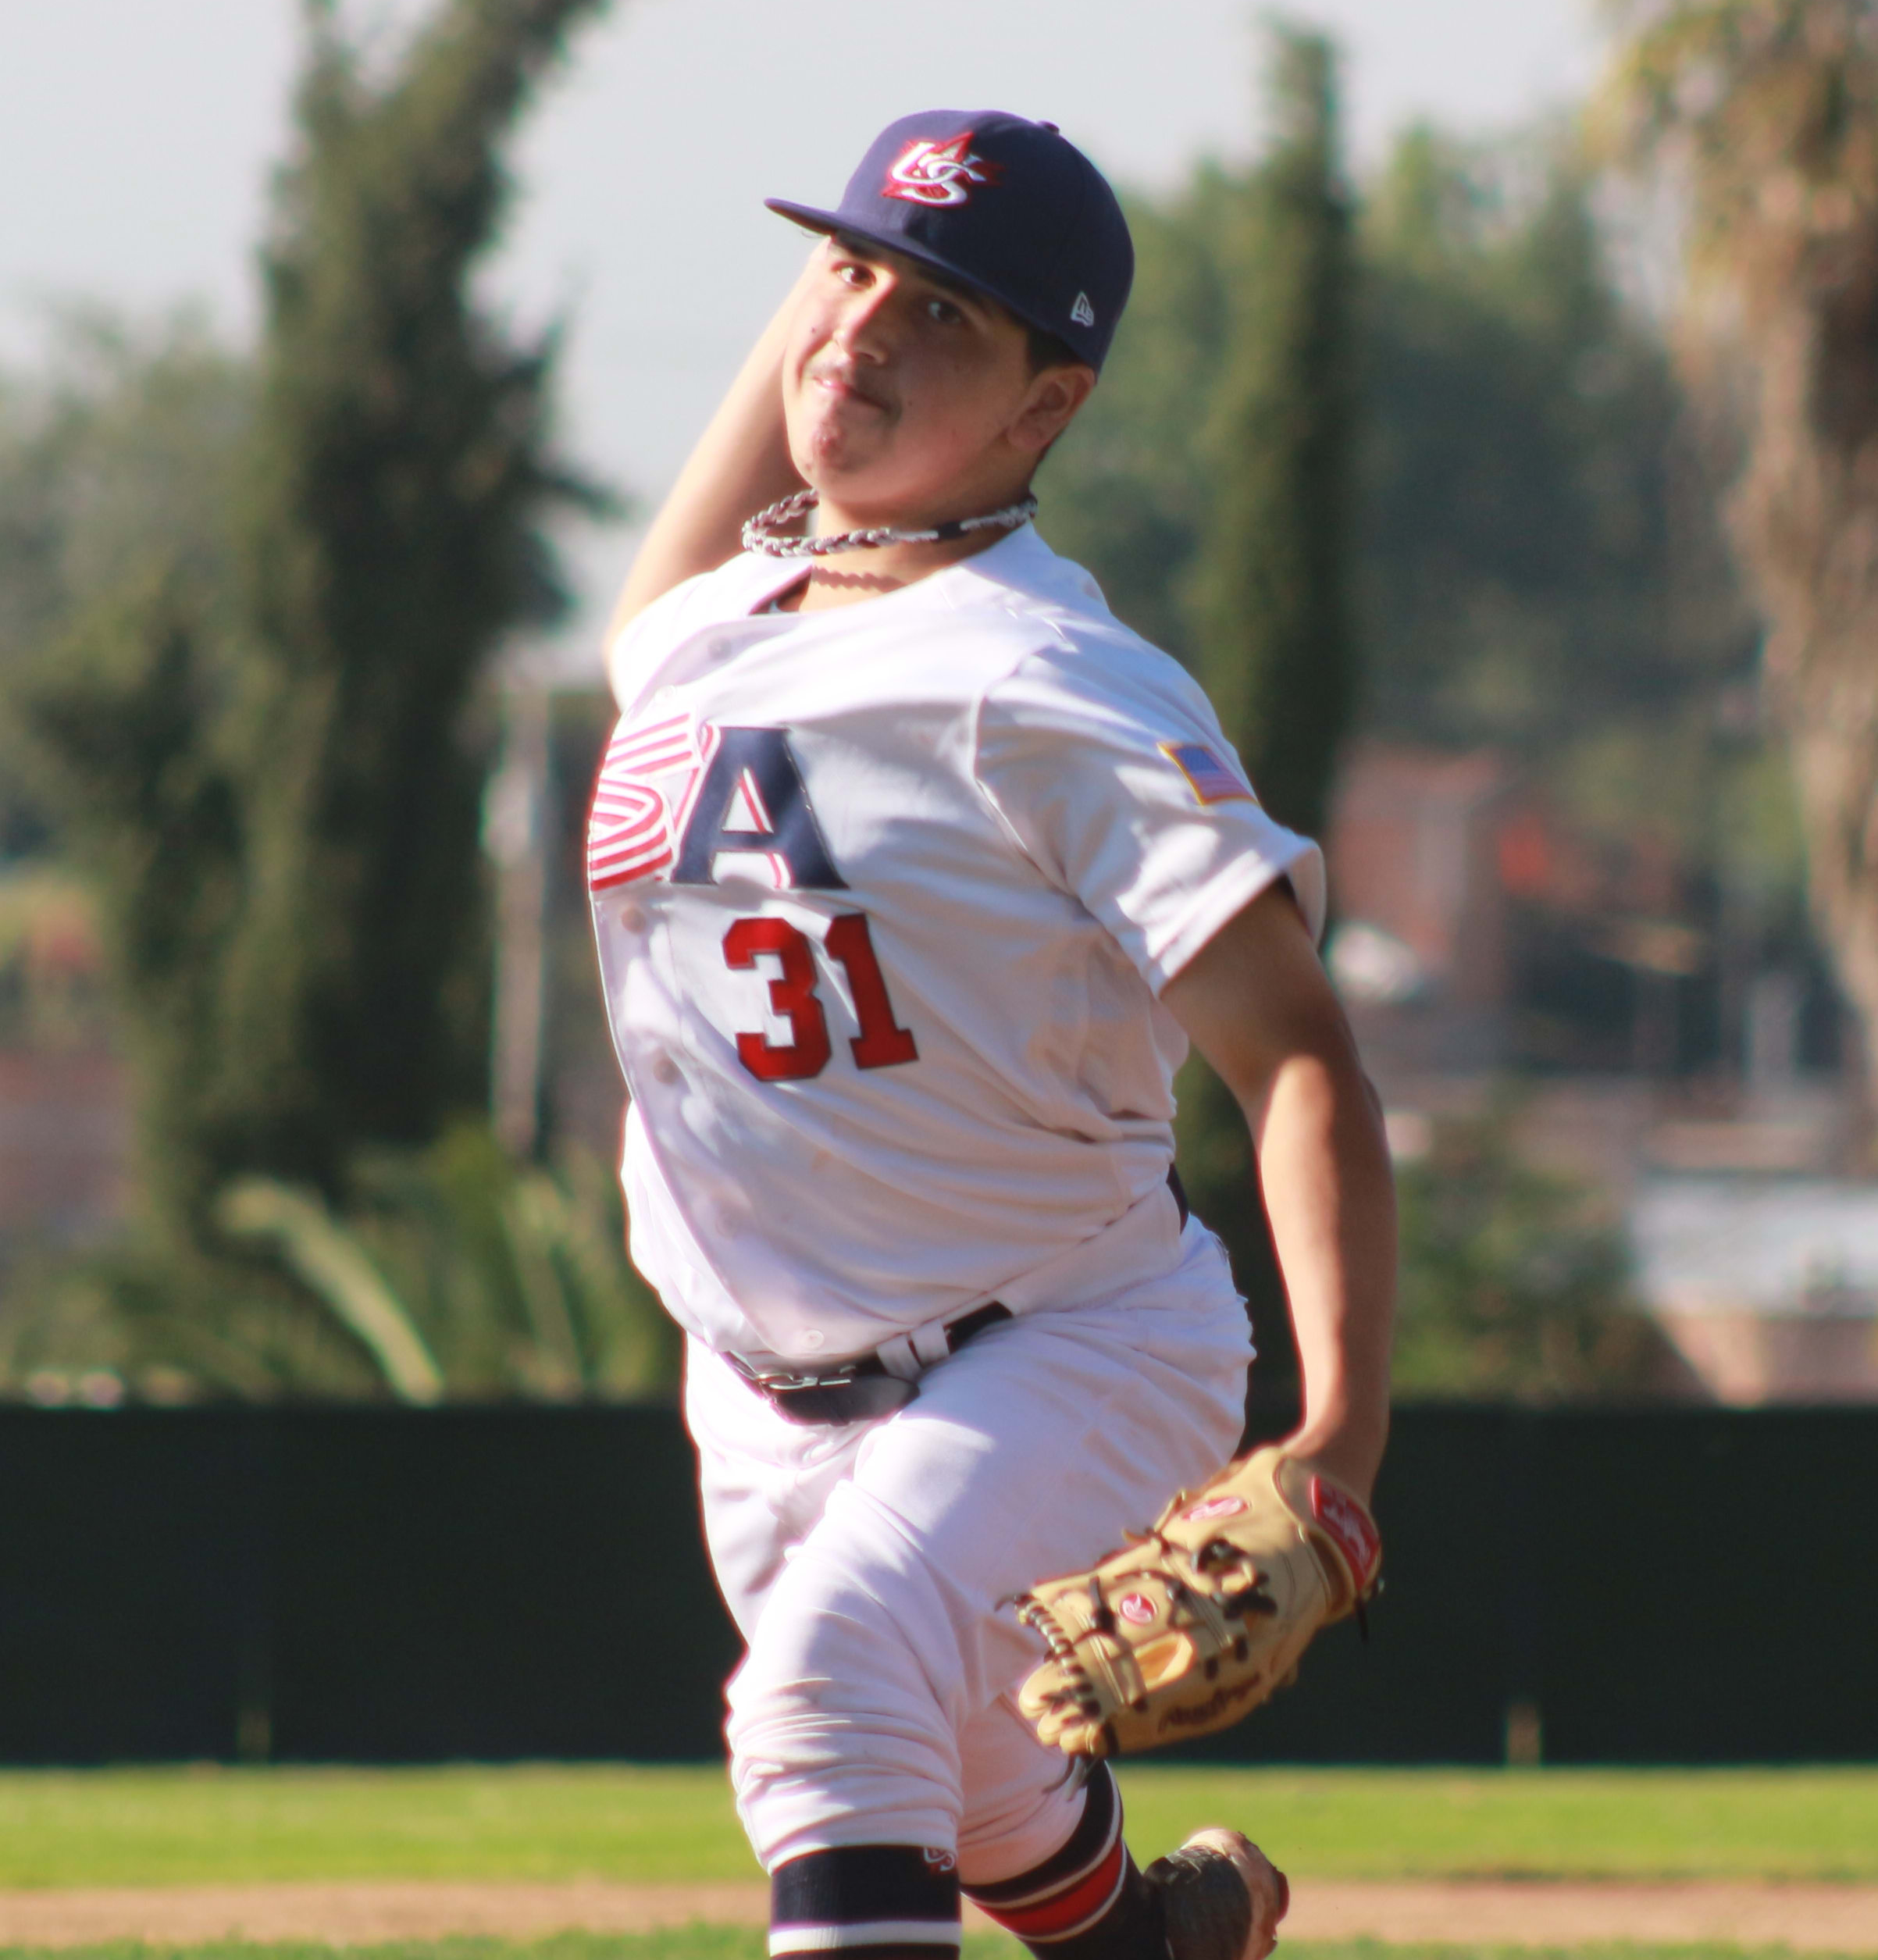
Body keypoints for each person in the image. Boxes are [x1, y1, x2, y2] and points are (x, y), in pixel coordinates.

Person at [586, 109, 1398, 1960]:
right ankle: (1162, 1935)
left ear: (1047, 408)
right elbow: (655, 596)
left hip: (1062, 1342)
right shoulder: (714, 630)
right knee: (970, 1781)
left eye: (942, 315)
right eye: (849, 274)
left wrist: (1335, 1449)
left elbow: (1298, 1059)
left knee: (825, 1699)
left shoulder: (1058, 685)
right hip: (757, 1377)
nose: (863, 329)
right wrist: (858, 269)